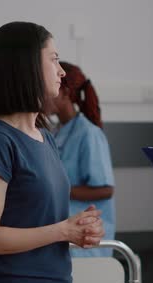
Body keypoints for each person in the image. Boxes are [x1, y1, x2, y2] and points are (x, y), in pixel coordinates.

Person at [0, 21, 105, 283]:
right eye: (54, 59)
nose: (62, 71)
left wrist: (79, 227)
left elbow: (40, 220)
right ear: (27, 65)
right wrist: (63, 231)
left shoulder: (46, 138)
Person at [45, 61, 115, 257]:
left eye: (50, 87)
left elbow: (106, 189)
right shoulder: (57, 132)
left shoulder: (88, 134)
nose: (44, 95)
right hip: (66, 233)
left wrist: (54, 191)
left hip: (87, 241)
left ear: (66, 93)